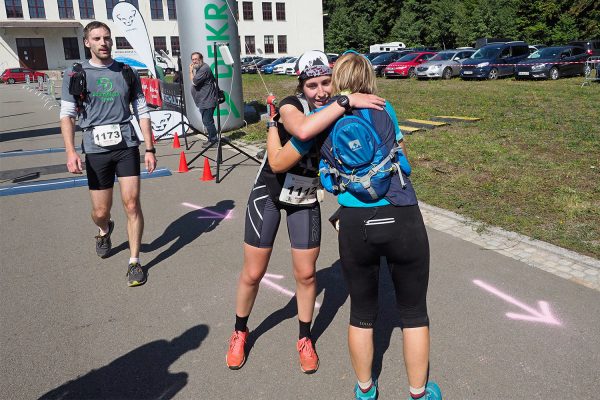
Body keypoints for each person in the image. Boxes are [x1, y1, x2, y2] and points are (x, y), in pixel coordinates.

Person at [269, 52, 442, 400]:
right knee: (413, 313)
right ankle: (419, 392)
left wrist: (272, 124)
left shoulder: (319, 120)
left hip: (354, 222)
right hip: (402, 216)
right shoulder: (385, 109)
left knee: (361, 312)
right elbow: (403, 164)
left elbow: (283, 163)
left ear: (338, 81)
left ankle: (365, 389)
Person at [226, 50, 383, 374]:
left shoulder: (339, 109)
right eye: (312, 84)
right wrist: (344, 102)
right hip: (269, 193)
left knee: (307, 274)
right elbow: (301, 130)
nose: (321, 90)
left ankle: (304, 337)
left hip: (306, 197)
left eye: (326, 82)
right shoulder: (292, 104)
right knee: (254, 273)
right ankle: (240, 330)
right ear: (301, 85)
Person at [59, 21, 157, 287]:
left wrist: (149, 148)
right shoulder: (75, 73)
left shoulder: (126, 71)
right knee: (101, 210)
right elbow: (67, 116)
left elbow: (142, 111)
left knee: (132, 204)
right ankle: (104, 229)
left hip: (126, 146)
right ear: (87, 42)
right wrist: (70, 152)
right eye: (97, 38)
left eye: (107, 37)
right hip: (95, 148)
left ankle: (134, 262)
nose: (103, 42)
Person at [189, 52, 218, 147]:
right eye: (193, 59)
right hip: (203, 100)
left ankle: (214, 140)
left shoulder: (204, 69)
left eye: (196, 59)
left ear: (201, 58)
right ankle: (211, 139)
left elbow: (194, 82)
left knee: (208, 121)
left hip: (207, 100)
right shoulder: (200, 68)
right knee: (207, 121)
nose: (194, 61)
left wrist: (190, 71)